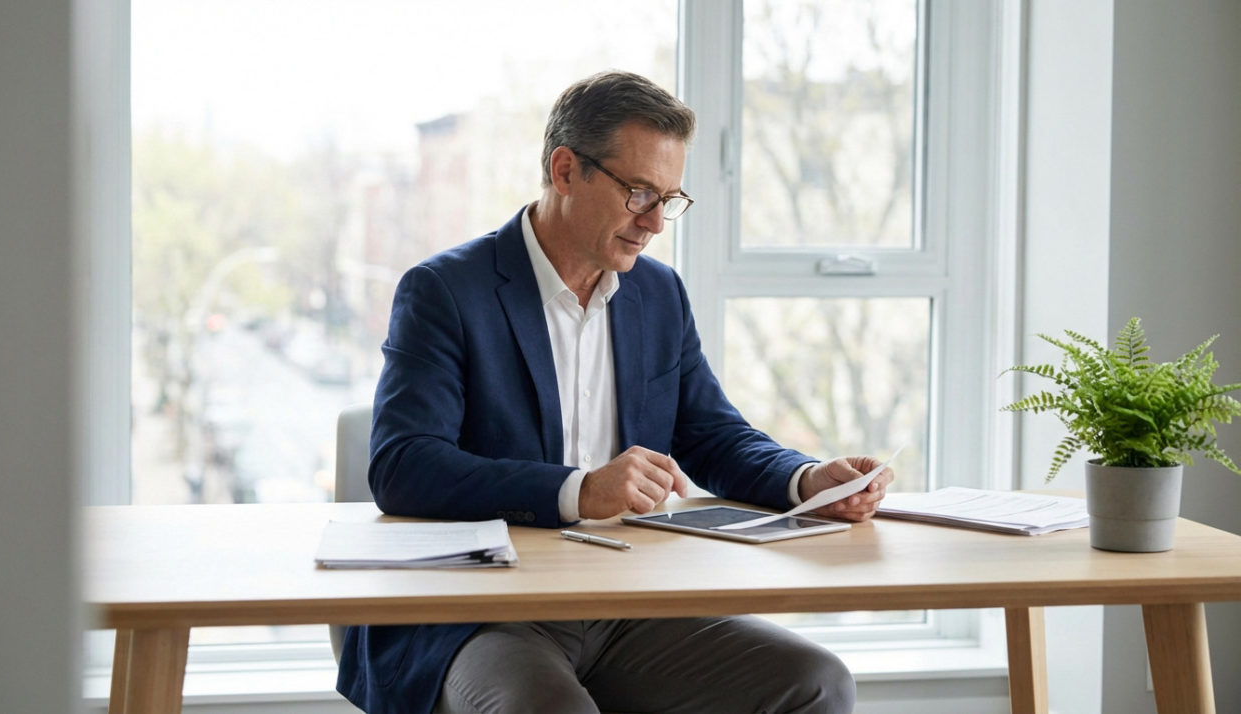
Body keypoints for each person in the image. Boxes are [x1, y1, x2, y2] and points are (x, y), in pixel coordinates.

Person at [337, 70, 894, 714]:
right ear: (566, 170)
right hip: (482, 614)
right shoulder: (444, 291)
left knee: (818, 684)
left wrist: (805, 480)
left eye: (670, 198)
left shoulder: (658, 294)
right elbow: (404, 465)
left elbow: (711, 433)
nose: (656, 222)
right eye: (638, 193)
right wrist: (579, 490)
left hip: (629, 602)